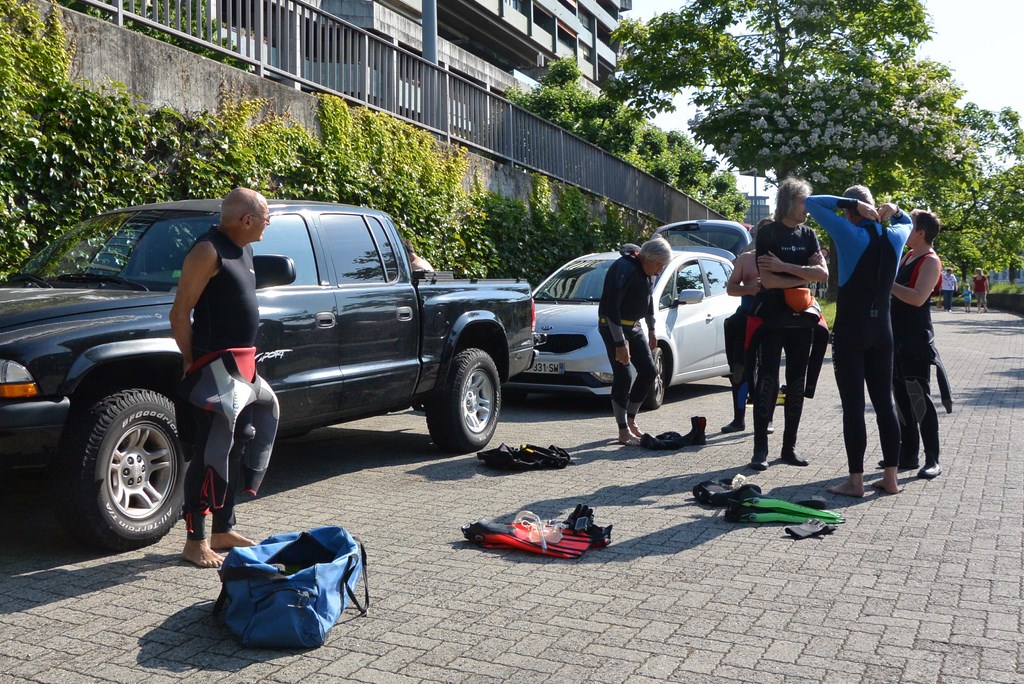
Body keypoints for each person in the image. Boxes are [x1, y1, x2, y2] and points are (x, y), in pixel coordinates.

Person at [170, 188, 280, 568]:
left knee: (238, 443)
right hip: (213, 367)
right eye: (266, 218)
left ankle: (222, 528)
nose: (269, 224)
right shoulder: (208, 250)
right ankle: (194, 541)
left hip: (243, 367)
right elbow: (179, 313)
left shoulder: (244, 249)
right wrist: (190, 361)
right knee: (209, 450)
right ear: (246, 220)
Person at [804, 186, 913, 497]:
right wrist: (894, 207)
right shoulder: (896, 236)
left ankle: (855, 482)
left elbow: (811, 202)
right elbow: (909, 222)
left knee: (853, 407)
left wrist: (851, 203)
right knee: (884, 404)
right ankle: (890, 478)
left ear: (851, 212)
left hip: (852, 331)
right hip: (883, 332)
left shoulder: (849, 233)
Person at [747, 178, 829, 470]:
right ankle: (760, 450)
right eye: (804, 201)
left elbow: (823, 275)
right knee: (767, 381)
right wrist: (803, 275)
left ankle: (789, 448)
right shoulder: (768, 232)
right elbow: (767, 281)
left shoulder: (809, 235)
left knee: (796, 382)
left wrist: (784, 268)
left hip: (800, 318)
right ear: (789, 201)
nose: (808, 208)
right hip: (772, 316)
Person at [889, 210, 951, 479]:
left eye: (909, 226)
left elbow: (917, 298)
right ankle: (908, 454)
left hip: (915, 338)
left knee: (918, 398)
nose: (904, 230)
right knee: (900, 397)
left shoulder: (930, 260)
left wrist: (886, 284)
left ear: (921, 232)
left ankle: (933, 458)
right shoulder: (908, 256)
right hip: (896, 337)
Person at [598, 237, 672, 446]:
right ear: (648, 258)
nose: (659, 271)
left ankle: (631, 420)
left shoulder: (649, 272)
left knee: (649, 371)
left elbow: (648, 301)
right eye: (658, 265)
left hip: (634, 325)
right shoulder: (625, 268)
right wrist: (620, 343)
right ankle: (622, 430)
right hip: (613, 326)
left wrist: (651, 329)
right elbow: (612, 307)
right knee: (623, 376)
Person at [721, 218, 768, 433]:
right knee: (739, 369)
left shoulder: (784, 259)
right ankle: (738, 418)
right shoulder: (745, 259)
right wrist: (750, 289)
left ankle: (766, 419)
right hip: (746, 317)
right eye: (761, 234)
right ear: (755, 236)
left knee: (767, 372)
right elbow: (731, 288)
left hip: (770, 321)